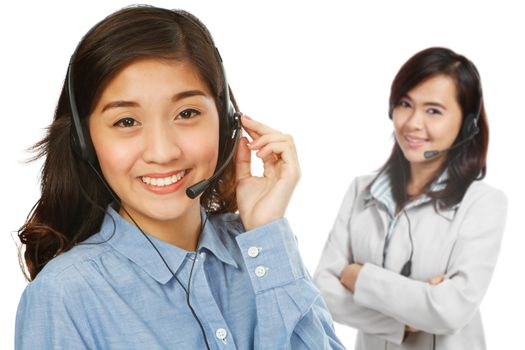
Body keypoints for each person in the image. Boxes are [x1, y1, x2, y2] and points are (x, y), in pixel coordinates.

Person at [15, 6, 344, 349]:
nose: (162, 152)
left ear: (227, 122)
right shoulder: (65, 296)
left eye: (187, 113)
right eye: (126, 121)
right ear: (85, 141)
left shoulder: (263, 253)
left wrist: (266, 232)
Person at [313, 47, 507, 350]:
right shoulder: (360, 191)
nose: (413, 123)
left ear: (467, 125)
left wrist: (359, 277)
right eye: (405, 104)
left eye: (433, 111)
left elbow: (452, 309)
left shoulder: (483, 203)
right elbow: (323, 292)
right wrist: (402, 321)